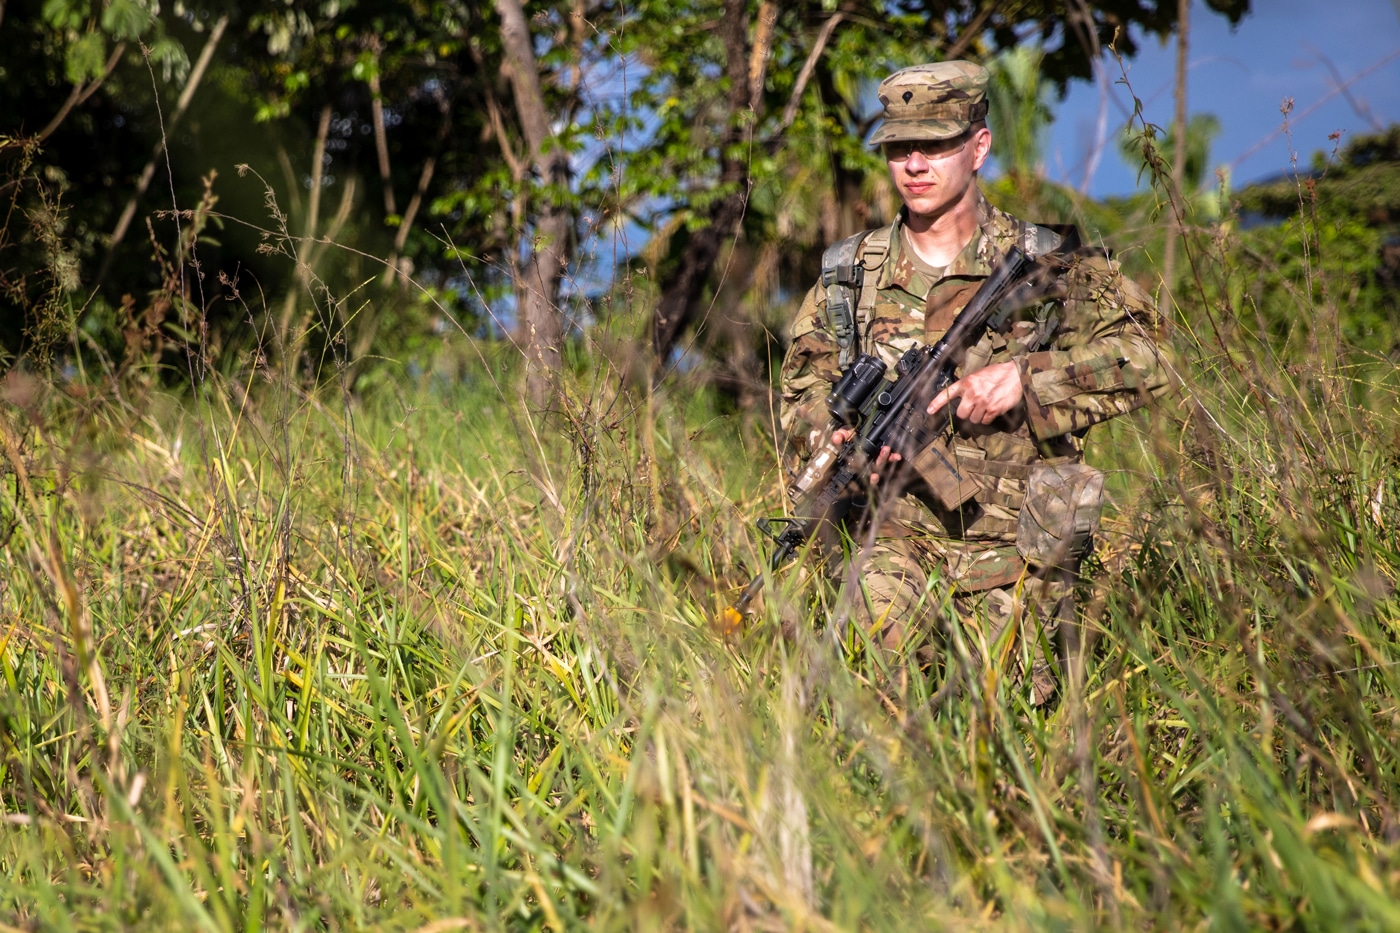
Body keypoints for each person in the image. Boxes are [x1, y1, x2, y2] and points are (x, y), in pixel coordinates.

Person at [778, 61, 1174, 704]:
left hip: (1023, 557)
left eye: (934, 144)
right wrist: (839, 441)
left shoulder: (1049, 260)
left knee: (1022, 731)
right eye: (899, 148)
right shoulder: (850, 275)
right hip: (891, 546)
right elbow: (800, 399)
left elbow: (1152, 357)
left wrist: (1028, 379)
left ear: (978, 146)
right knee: (871, 699)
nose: (914, 163)